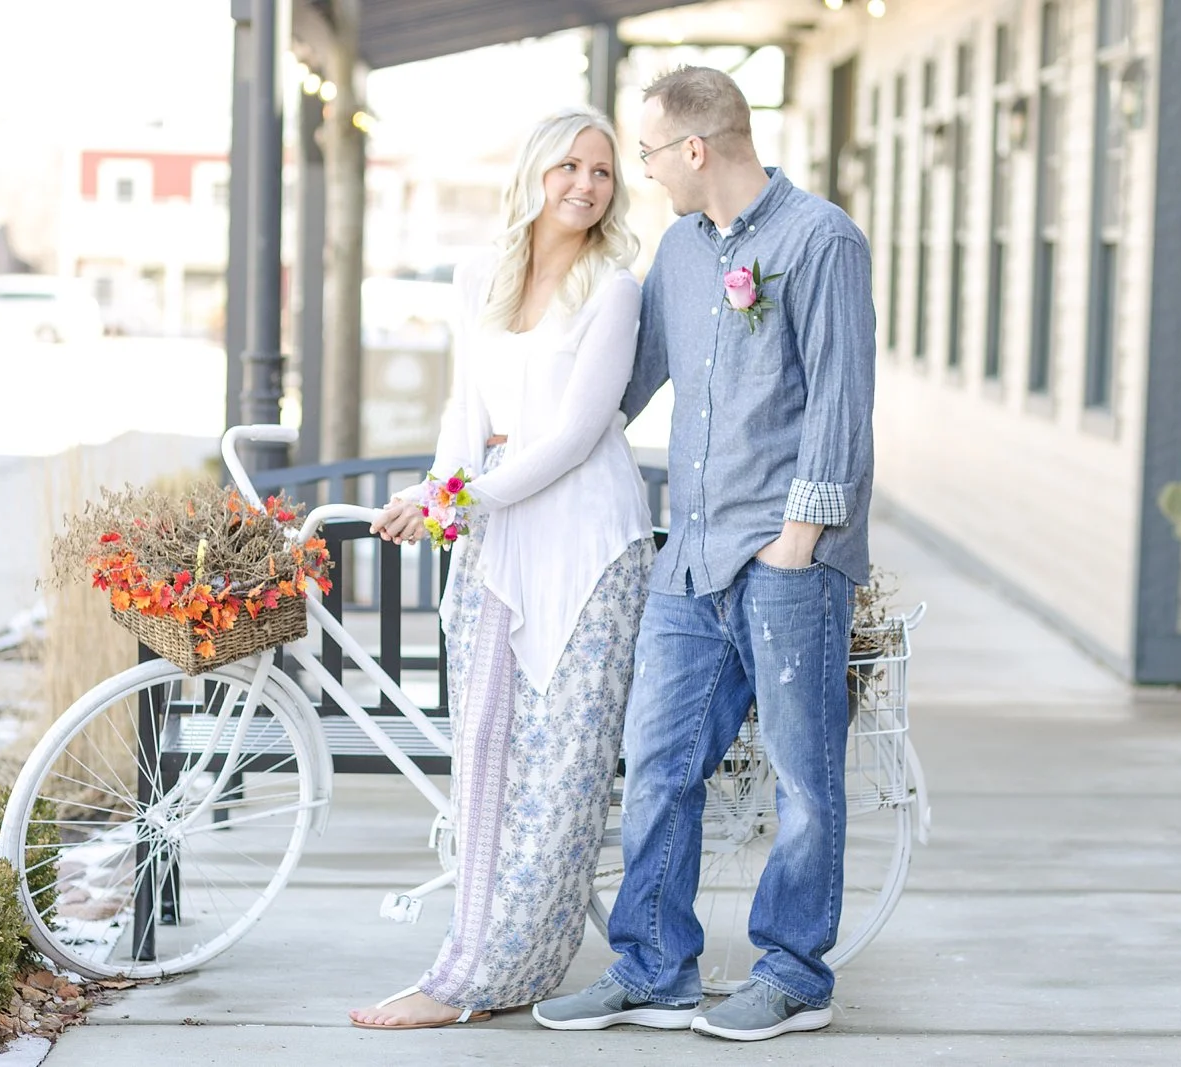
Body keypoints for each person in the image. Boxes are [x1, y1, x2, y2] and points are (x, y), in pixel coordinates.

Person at [533, 65, 877, 1042]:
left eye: (646, 153)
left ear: (694, 148)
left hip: (786, 562)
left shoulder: (821, 240)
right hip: (687, 559)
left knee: (802, 778)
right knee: (658, 764)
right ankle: (653, 968)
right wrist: (522, 440)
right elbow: (620, 389)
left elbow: (842, 402)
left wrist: (797, 543)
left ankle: (794, 974)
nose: (642, 171)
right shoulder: (679, 254)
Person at [348, 104, 655, 1030]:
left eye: (602, 171)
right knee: (484, 754)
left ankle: (488, 978)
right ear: (533, 174)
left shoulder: (613, 288)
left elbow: (574, 435)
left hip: (589, 545)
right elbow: (466, 415)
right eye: (569, 166)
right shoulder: (479, 274)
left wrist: (459, 502)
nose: (585, 185)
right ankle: (473, 959)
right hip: (498, 541)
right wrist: (434, 490)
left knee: (559, 774)